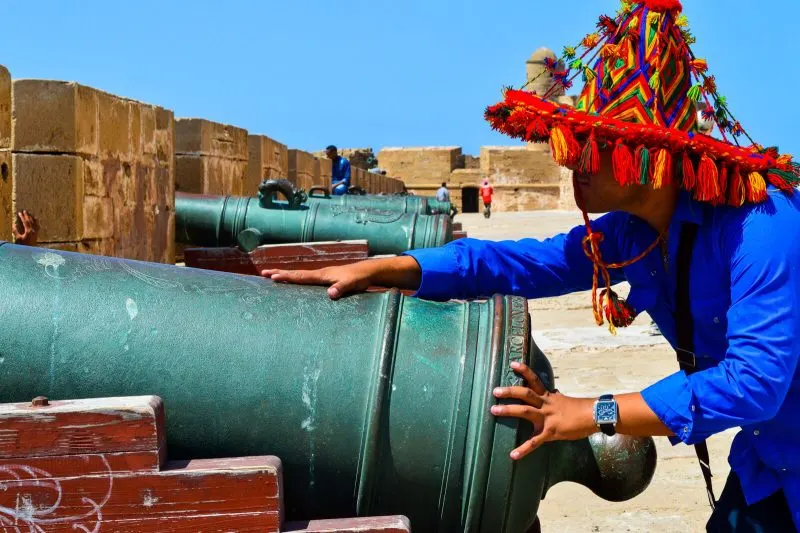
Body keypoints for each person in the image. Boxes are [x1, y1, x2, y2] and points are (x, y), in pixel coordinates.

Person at [265, 2, 800, 530]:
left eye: (591, 147)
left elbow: (754, 382)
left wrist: (593, 412)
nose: (569, 161)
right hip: (770, 462)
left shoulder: (763, 227)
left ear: (646, 157)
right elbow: (526, 262)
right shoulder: (633, 232)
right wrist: (395, 266)